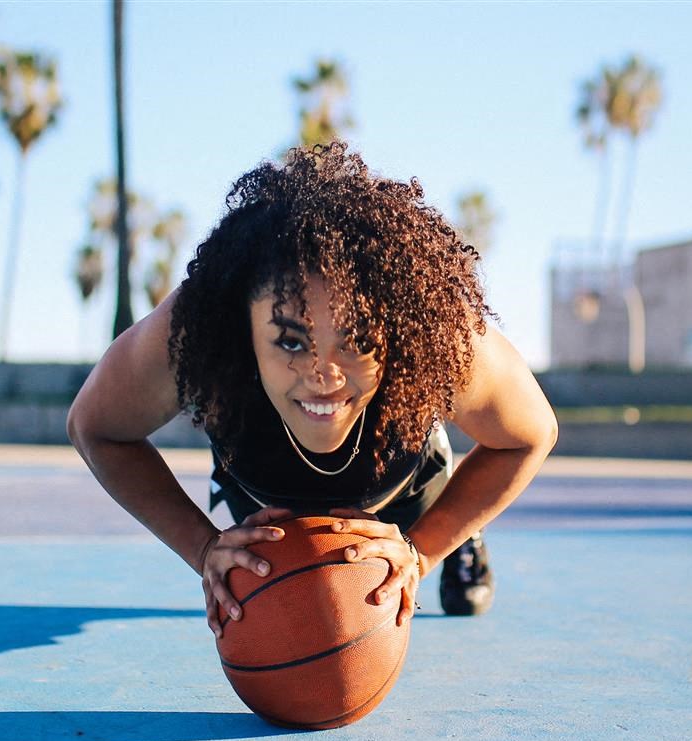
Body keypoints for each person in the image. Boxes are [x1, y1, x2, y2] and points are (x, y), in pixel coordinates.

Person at [68, 143, 557, 639]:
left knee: (446, 552)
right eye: (290, 340)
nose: (324, 373)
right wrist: (203, 547)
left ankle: (462, 531)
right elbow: (95, 428)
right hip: (264, 503)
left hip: (405, 490)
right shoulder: (199, 323)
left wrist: (423, 550)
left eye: (357, 341)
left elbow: (528, 435)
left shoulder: (435, 325)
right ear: (243, 326)